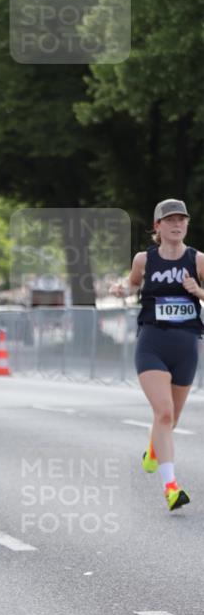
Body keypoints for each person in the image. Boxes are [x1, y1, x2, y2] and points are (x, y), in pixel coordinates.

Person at [111, 199, 203, 510]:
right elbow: (132, 284)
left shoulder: (198, 260)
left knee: (172, 418)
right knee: (163, 412)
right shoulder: (144, 259)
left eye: (182, 220)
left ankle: (153, 450)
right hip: (152, 343)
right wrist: (122, 289)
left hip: (187, 346)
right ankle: (171, 488)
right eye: (170, 220)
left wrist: (199, 291)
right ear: (158, 226)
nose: (177, 225)